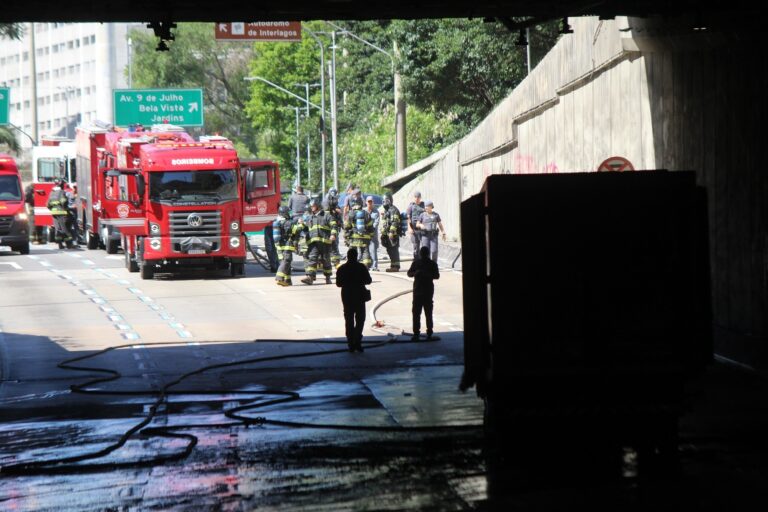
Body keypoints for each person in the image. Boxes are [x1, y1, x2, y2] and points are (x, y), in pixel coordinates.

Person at [335, 247, 372, 352]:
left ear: (347, 256)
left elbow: (338, 284)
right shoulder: (361, 267)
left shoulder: (342, 268)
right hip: (359, 296)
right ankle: (358, 341)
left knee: (349, 320)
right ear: (356, 256)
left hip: (347, 297)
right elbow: (368, 280)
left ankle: (351, 343)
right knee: (360, 320)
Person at [407, 246, 440, 342]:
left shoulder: (417, 263)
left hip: (419, 291)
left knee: (417, 313)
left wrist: (419, 273)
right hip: (427, 292)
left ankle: (416, 334)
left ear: (420, 254)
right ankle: (429, 333)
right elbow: (437, 276)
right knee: (428, 313)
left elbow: (409, 273)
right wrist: (417, 273)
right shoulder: (432, 264)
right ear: (428, 254)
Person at [301, 198, 335, 285]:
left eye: (314, 206)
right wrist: (301, 224)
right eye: (311, 206)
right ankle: (310, 277)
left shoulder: (327, 215)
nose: (312, 208)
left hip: (325, 242)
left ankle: (328, 277)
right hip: (313, 243)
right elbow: (305, 229)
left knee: (326, 260)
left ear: (318, 206)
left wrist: (333, 234)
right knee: (312, 259)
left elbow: (334, 225)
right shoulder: (309, 217)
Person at [273, 205, 303, 286]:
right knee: (287, 261)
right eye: (288, 212)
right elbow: (297, 230)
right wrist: (301, 224)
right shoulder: (288, 222)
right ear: (284, 213)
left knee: (286, 262)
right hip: (287, 245)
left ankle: (287, 280)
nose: (289, 214)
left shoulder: (277, 221)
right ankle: (279, 278)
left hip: (279, 246)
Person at [343, 195, 374, 268]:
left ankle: (352, 266)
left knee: (352, 252)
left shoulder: (351, 213)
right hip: (365, 237)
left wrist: (346, 237)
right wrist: (371, 236)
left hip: (354, 237)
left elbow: (346, 226)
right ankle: (366, 266)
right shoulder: (366, 213)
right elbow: (370, 226)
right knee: (365, 251)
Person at [379, 192, 403, 272]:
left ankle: (396, 266)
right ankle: (393, 265)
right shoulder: (386, 210)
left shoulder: (393, 210)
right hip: (387, 235)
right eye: (383, 201)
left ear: (390, 200)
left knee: (393, 250)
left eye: (386, 200)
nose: (384, 202)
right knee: (390, 250)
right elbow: (385, 223)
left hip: (393, 235)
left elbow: (395, 222)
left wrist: (392, 232)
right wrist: (383, 233)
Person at [47, 178, 74, 249]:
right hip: (62, 212)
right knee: (64, 229)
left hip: (54, 213)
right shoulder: (61, 192)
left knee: (57, 229)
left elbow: (47, 204)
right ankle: (69, 244)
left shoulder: (51, 193)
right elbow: (64, 201)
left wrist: (53, 209)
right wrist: (67, 208)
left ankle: (60, 245)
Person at [325, 187, 343, 268]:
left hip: (334, 228)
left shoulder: (337, 207)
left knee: (334, 245)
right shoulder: (325, 206)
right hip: (325, 228)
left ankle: (336, 262)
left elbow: (339, 217)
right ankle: (324, 262)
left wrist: (341, 223)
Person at [406, 191, 425, 260]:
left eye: (418, 197)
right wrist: (409, 228)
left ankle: (424, 261)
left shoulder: (424, 205)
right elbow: (408, 218)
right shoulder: (411, 206)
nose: (417, 198)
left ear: (420, 198)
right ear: (414, 198)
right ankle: (416, 261)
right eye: (415, 197)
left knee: (424, 247)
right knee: (416, 247)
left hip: (423, 229)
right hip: (414, 230)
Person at [366, 196, 380, 271]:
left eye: (371, 202)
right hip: (365, 234)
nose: (370, 204)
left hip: (373, 235)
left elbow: (376, 223)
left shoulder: (376, 212)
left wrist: (371, 229)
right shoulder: (363, 211)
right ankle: (367, 265)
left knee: (373, 249)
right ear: (366, 202)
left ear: (373, 203)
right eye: (368, 202)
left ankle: (374, 266)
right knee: (366, 250)